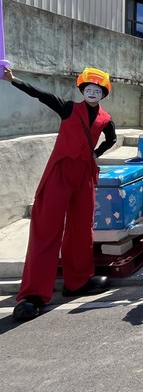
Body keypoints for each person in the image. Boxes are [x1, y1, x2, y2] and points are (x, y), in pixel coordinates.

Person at [4, 67, 116, 321]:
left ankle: (78, 281)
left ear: (103, 94)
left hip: (85, 173)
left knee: (81, 228)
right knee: (46, 228)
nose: (92, 92)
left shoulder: (106, 118)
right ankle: (33, 294)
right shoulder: (68, 108)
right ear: (82, 90)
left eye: (97, 90)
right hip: (61, 170)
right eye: (88, 89)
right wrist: (14, 80)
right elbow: (41, 95)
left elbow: (111, 139)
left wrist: (96, 154)